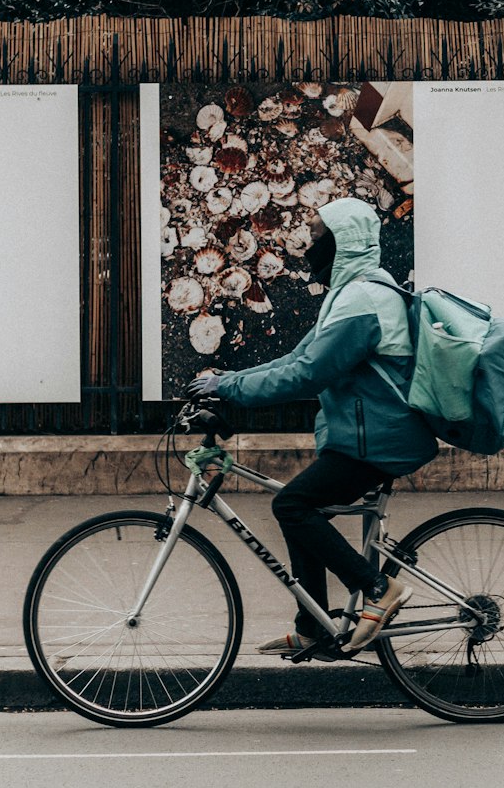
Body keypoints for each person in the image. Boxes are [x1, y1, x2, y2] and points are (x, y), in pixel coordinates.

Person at [186, 196, 436, 655]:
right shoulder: (350, 295)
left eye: (319, 236)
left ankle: (379, 590)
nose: (310, 245)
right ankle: (313, 625)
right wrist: (226, 382)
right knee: (303, 509)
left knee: (292, 505)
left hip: (378, 441)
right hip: (364, 436)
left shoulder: (365, 300)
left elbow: (307, 374)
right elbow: (296, 359)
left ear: (345, 243)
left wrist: (229, 388)